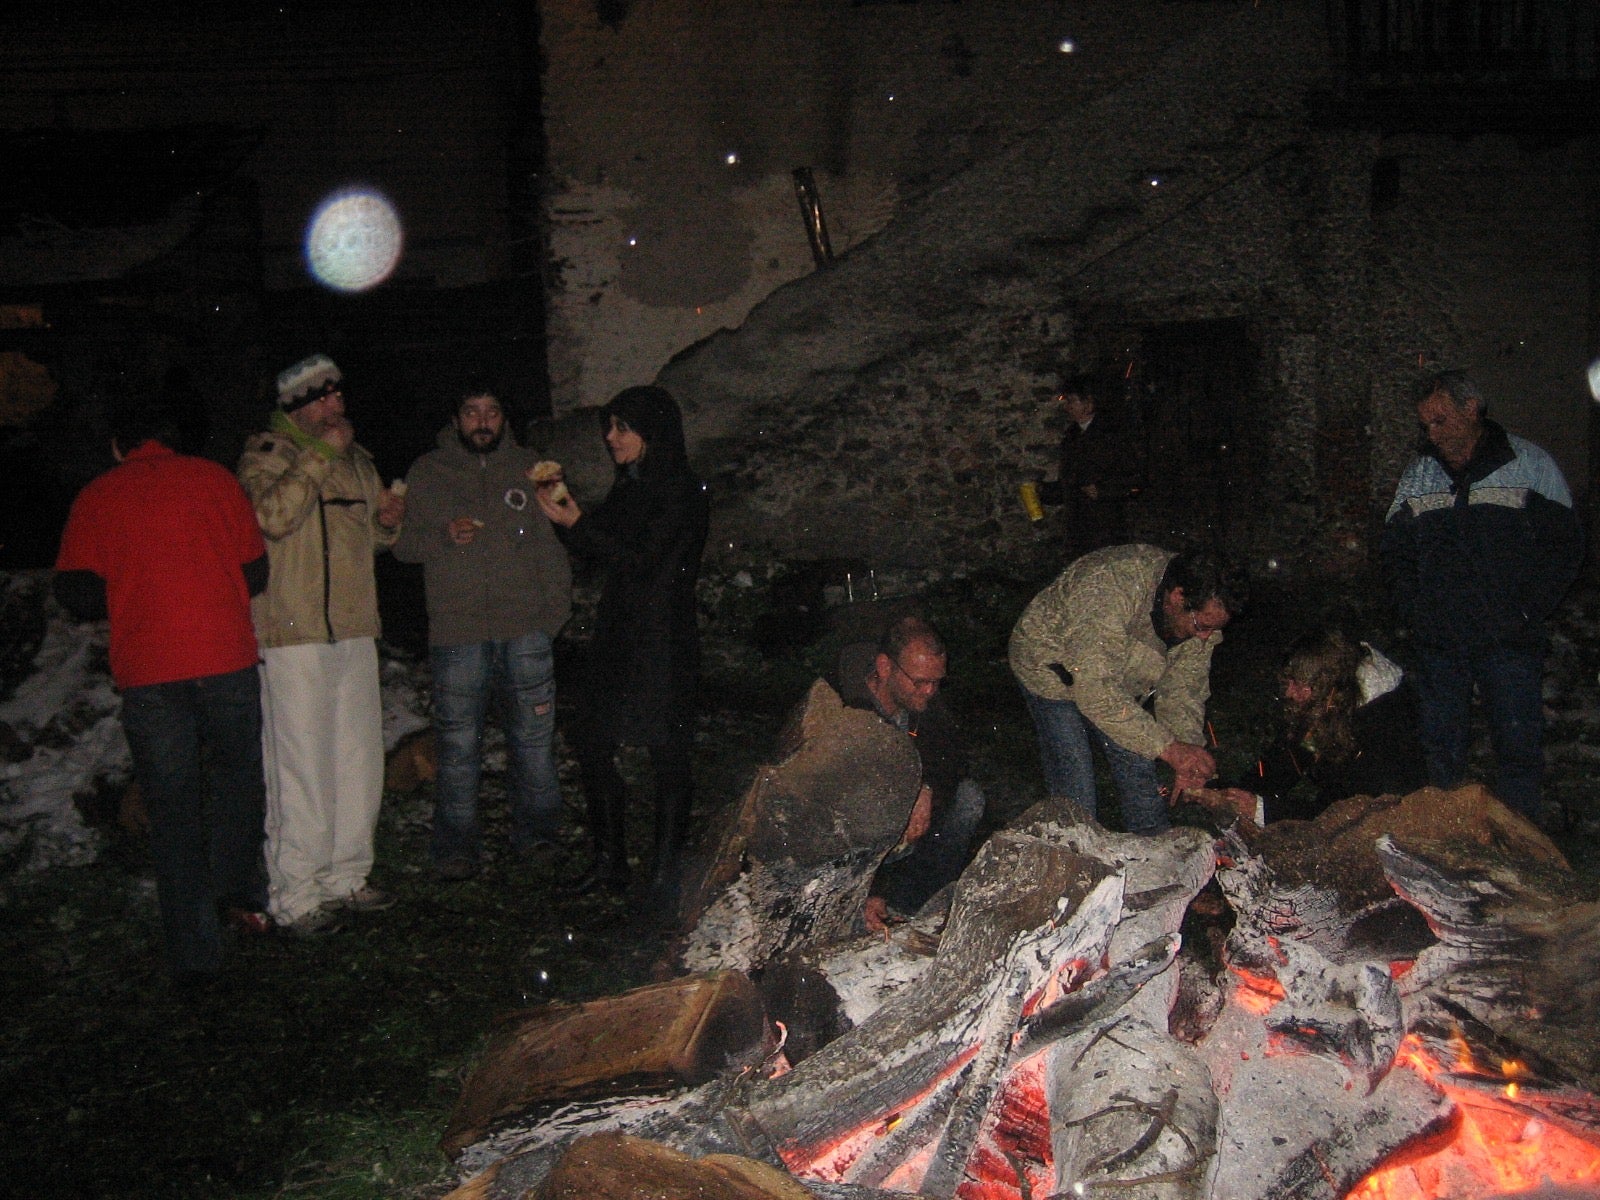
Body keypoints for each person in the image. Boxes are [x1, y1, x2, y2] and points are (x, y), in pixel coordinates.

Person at [54, 396, 270, 986]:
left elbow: (73, 592)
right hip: (224, 658)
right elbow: (257, 573)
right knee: (238, 781)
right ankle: (243, 897)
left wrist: (131, 592)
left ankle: (194, 950)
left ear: (119, 446)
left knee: (172, 808)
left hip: (151, 669)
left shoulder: (99, 495)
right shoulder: (216, 480)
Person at [238, 354, 406, 935]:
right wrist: (318, 456)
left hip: (354, 627)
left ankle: (347, 876)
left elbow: (373, 542)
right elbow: (271, 519)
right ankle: (296, 895)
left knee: (358, 758)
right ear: (296, 407)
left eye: (339, 392)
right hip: (293, 634)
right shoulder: (267, 456)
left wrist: (388, 521)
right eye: (323, 396)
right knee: (300, 767)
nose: (337, 404)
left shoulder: (358, 461)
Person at [1380, 370, 1582, 823]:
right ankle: (1447, 847)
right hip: (1440, 642)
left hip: (1508, 640)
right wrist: (1415, 610)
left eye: (1440, 421)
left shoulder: (1528, 465)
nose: (1432, 434)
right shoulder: (1420, 475)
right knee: (1441, 748)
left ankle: (1521, 848)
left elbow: (1567, 546)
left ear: (1471, 409)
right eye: (1426, 425)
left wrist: (1527, 608)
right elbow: (1394, 550)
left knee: (1517, 750)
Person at [535, 385, 709, 909]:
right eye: (608, 427)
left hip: (662, 640)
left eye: (622, 428)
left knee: (667, 754)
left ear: (652, 433)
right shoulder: (630, 486)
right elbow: (599, 546)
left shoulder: (682, 489)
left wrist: (579, 525)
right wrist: (567, 513)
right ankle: (608, 865)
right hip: (620, 637)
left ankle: (664, 876)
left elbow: (644, 557)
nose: (611, 438)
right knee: (591, 741)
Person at [392, 388, 573, 880]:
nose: (483, 421)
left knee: (534, 743)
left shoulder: (535, 467)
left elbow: (554, 538)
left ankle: (538, 838)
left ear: (503, 418)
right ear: (456, 419)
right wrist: (442, 536)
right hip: (458, 631)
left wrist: (553, 613)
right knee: (458, 746)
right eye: (472, 412)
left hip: (526, 630)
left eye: (492, 411)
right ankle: (455, 849)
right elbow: (402, 545)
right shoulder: (428, 472)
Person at [1009, 544, 1248, 834]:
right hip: (1051, 665)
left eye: (1214, 628)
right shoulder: (1108, 585)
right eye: (1202, 626)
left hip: (1114, 671)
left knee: (1139, 759)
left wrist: (1187, 754)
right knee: (1076, 777)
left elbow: (1183, 690)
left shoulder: (1197, 615)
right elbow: (1096, 691)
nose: (1206, 637)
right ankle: (1074, 851)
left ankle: (1152, 848)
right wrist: (1169, 748)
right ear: (1177, 596)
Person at [830, 616, 986, 933]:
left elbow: (953, 756)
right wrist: (873, 890)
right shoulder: (847, 715)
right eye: (919, 682)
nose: (929, 691)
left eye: (936, 681)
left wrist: (925, 788)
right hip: (855, 858)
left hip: (903, 846)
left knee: (969, 798)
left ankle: (916, 906)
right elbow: (849, 822)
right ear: (885, 668)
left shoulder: (920, 698)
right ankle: (872, 907)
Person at [1193, 631, 1428, 825]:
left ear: (1326, 685)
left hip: (1383, 826)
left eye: (1297, 684)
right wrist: (1228, 791)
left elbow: (1344, 815)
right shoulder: (1327, 702)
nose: (1288, 693)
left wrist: (1262, 811)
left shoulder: (1381, 732)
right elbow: (1289, 759)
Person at [1037, 374, 1144, 560]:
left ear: (1089, 404)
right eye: (1066, 400)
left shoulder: (1112, 436)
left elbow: (1133, 478)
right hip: (1079, 526)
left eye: (1072, 401)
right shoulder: (1072, 437)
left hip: (1106, 525)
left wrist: (1103, 490)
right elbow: (1070, 484)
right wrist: (1044, 491)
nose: (1067, 406)